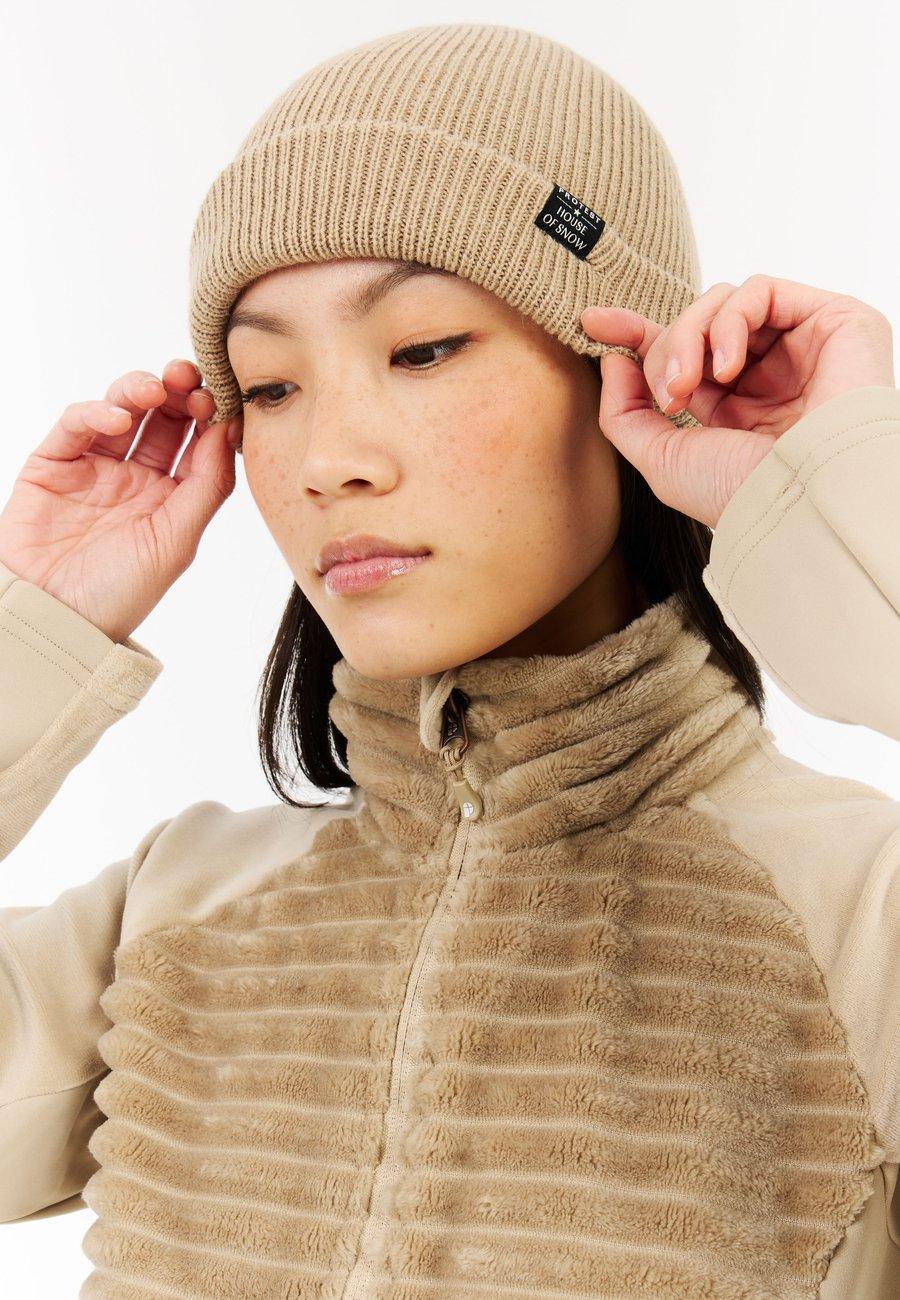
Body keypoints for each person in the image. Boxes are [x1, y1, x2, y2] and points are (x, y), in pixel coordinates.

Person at [1, 20, 897, 1299]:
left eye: (421, 349)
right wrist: (33, 623)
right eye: (270, 386)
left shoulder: (860, 915)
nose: (329, 460)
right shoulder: (174, 909)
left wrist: (840, 499)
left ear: (638, 371)